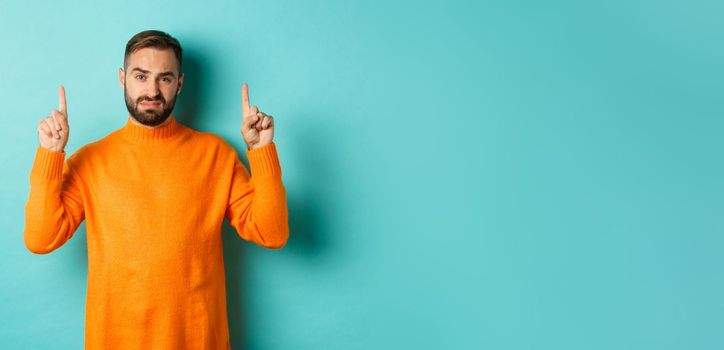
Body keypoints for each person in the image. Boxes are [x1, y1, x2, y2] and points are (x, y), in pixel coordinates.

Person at [23, 29, 289, 349]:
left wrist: (261, 152)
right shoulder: (91, 161)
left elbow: (272, 233)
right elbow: (39, 238)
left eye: (164, 78)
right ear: (123, 79)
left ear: (179, 83)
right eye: (140, 76)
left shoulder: (216, 155)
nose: (151, 90)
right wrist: (50, 154)